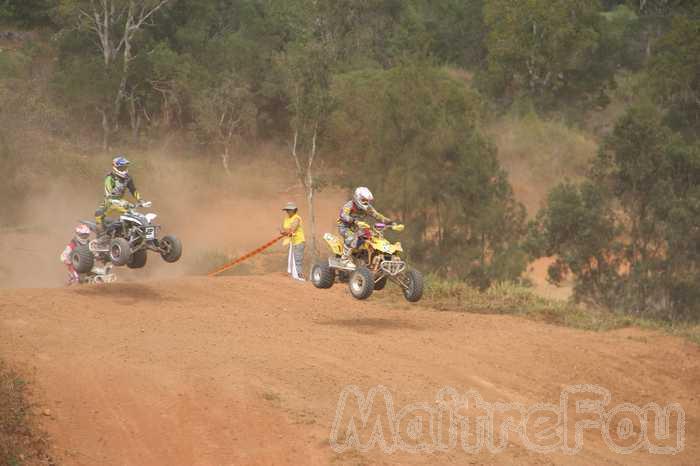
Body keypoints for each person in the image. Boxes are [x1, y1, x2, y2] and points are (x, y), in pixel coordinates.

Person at [337, 187, 392, 268]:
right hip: (345, 227)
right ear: (357, 198)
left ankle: (370, 259)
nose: (366, 202)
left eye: (367, 201)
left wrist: (390, 222)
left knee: (374, 237)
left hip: (359, 228)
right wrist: (355, 221)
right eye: (363, 200)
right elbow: (343, 215)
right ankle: (344, 260)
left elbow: (377, 215)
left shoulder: (368, 208)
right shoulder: (349, 205)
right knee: (351, 237)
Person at [95, 156, 141, 236]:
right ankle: (102, 236)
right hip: (110, 200)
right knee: (98, 214)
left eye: (125, 167)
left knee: (134, 213)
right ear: (115, 167)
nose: (123, 170)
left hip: (121, 200)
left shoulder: (128, 178)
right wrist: (115, 201)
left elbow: (133, 190)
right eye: (121, 168)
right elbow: (108, 193)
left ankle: (135, 232)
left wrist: (140, 200)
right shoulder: (110, 178)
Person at [281, 202, 306, 281]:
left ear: (294, 210)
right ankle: (294, 276)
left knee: (297, 259)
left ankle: (299, 276)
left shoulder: (297, 218)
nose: (288, 211)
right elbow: (286, 229)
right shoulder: (286, 219)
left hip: (298, 241)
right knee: (292, 259)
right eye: (287, 210)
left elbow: (293, 229)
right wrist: (285, 232)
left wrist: (286, 232)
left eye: (289, 210)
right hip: (292, 241)